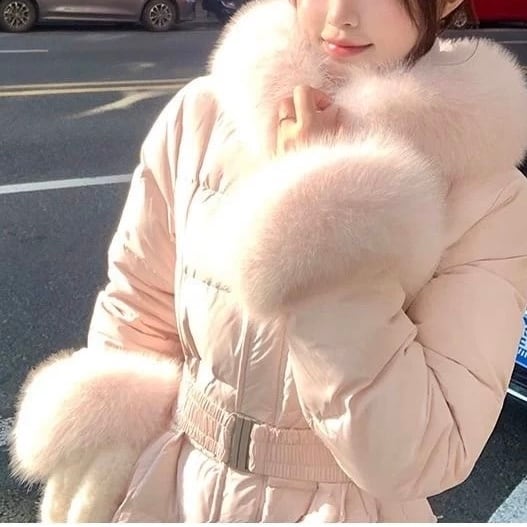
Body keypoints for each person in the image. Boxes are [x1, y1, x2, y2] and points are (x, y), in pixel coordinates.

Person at [10, 0, 527, 522]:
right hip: (172, 496)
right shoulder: (204, 116)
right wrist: (106, 464)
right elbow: (138, 312)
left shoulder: (487, 192)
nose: (341, 14)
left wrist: (323, 215)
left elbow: (423, 452)